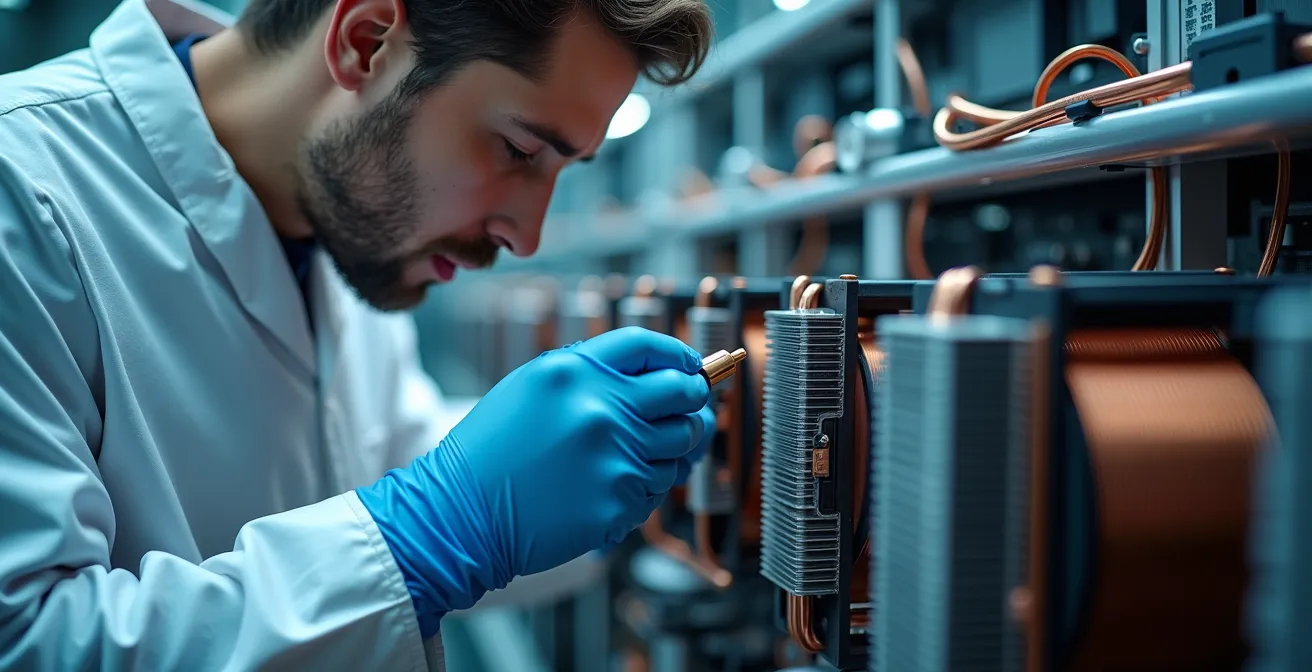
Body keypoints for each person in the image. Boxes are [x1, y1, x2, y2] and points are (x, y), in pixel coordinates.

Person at [0, 0, 715, 668]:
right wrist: (435, 533)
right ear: (366, 42)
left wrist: (615, 468)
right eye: (520, 150)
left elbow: (403, 469)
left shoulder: (347, 227)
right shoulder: (22, 189)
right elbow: (30, 641)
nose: (524, 236)